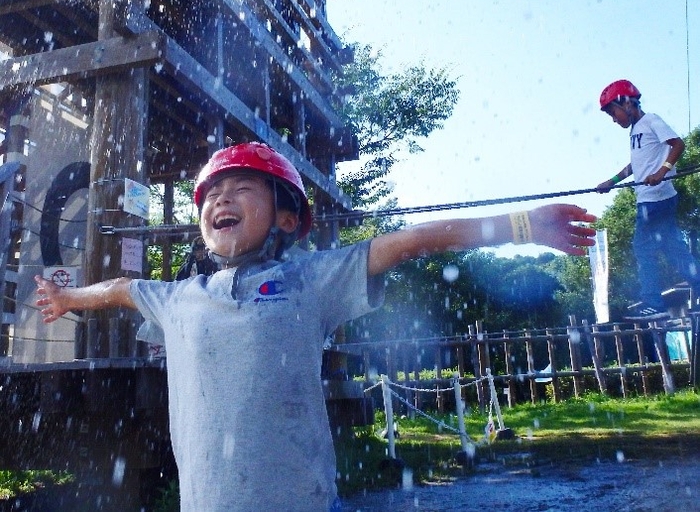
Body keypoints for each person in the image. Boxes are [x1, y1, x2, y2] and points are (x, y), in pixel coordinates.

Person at [35, 142, 596, 512]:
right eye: (213, 195)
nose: (223, 198)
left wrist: (521, 224)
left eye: (243, 189)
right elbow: (118, 290)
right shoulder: (180, 298)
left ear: (286, 218)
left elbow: (410, 241)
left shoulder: (310, 279)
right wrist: (66, 297)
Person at [596, 79, 699, 320]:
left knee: (642, 249)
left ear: (628, 103)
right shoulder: (635, 131)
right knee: (675, 250)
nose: (614, 119)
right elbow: (636, 165)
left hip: (654, 199)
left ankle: (654, 304)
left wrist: (662, 171)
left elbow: (678, 144)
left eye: (614, 112)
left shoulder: (651, 120)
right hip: (654, 199)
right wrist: (612, 181)